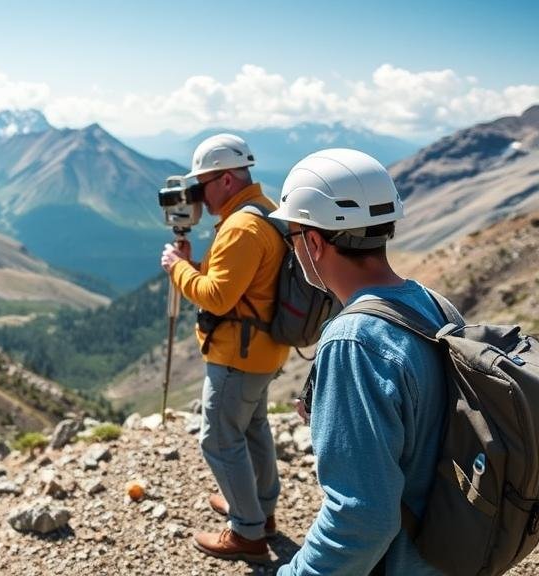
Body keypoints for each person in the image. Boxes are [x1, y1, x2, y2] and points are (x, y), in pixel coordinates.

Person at [269, 148, 449, 575]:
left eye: (292, 236)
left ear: (313, 242)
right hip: (452, 550)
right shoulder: (432, 303)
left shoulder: (353, 341)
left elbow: (362, 520)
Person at [161, 133, 290, 564]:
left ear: (229, 180)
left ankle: (246, 532)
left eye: (204, 183)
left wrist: (177, 268)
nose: (198, 193)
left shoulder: (241, 227)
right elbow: (241, 284)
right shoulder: (265, 212)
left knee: (218, 439)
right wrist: (196, 264)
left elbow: (217, 297)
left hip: (238, 355)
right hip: (263, 349)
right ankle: (261, 510)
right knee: (253, 429)